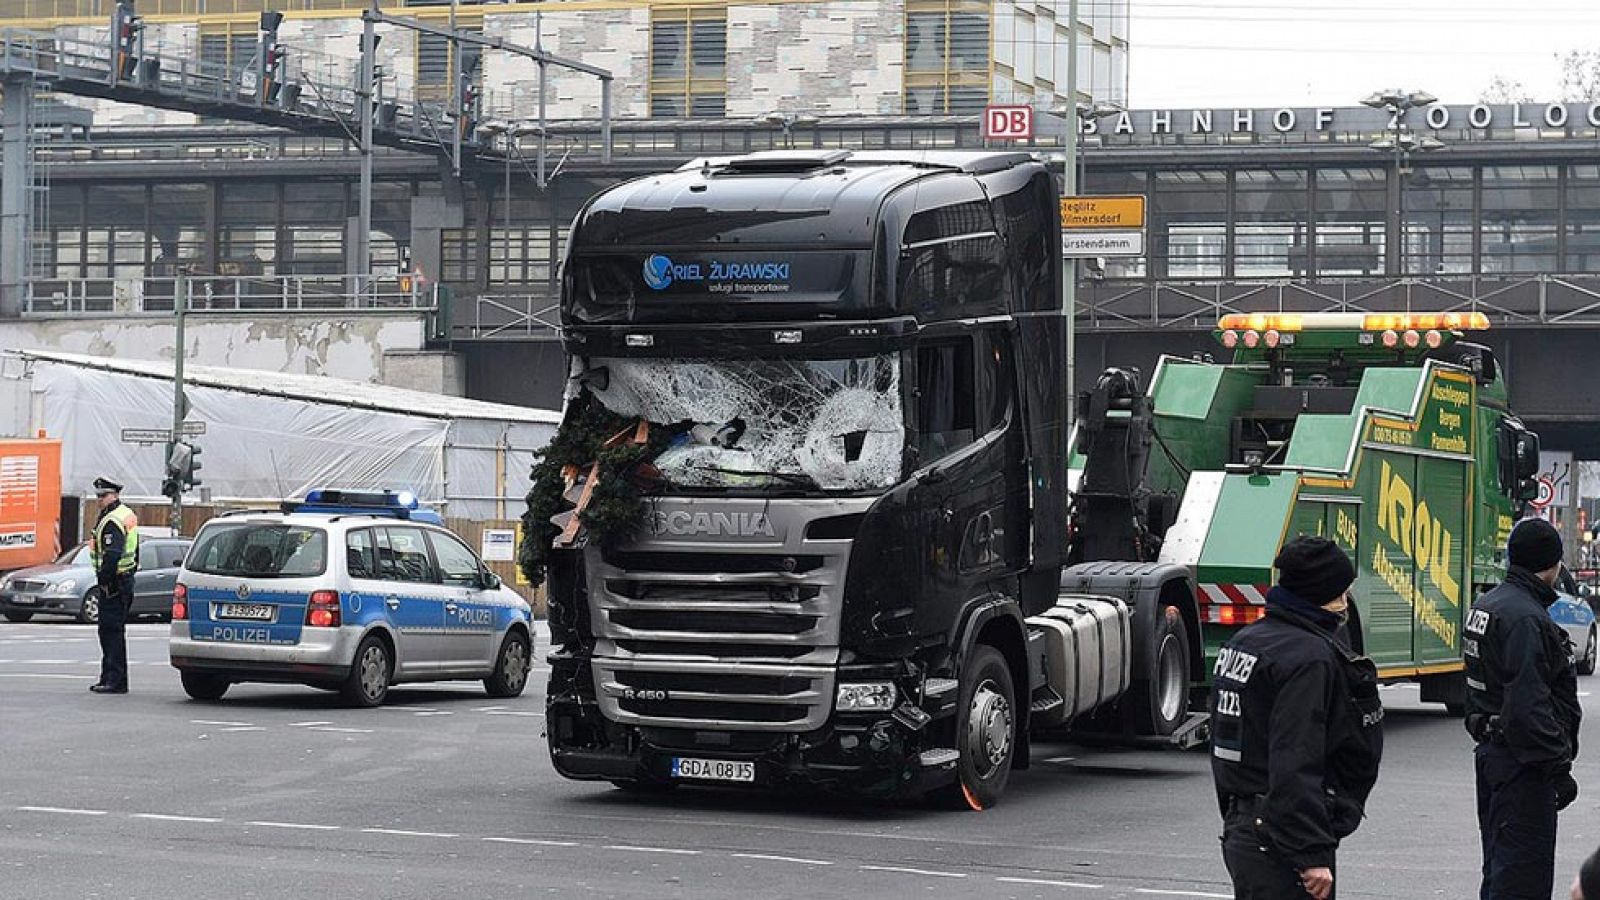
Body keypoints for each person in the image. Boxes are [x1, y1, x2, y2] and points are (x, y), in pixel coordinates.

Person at [1210, 535, 1384, 900]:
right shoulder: (1308, 658)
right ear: (1322, 592)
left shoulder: (1245, 642)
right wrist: (1311, 853)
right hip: (1282, 838)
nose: (1345, 602)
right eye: (1342, 591)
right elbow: (1296, 758)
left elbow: (1226, 747)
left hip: (1246, 826)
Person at [1465, 516, 1583, 900]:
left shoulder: (1488, 605)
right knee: (1522, 879)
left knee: (1500, 870)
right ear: (1552, 564)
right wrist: (1557, 767)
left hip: (1494, 755)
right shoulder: (1526, 620)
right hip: (1522, 766)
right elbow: (1528, 707)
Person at [88, 477, 139, 695]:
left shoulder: (112, 521)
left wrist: (105, 581)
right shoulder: (124, 514)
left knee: (110, 632)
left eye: (104, 495)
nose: (100, 500)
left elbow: (112, 555)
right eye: (98, 496)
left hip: (115, 583)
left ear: (115, 495)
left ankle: (114, 680)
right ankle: (111, 677)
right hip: (124, 580)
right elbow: (134, 550)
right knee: (113, 631)